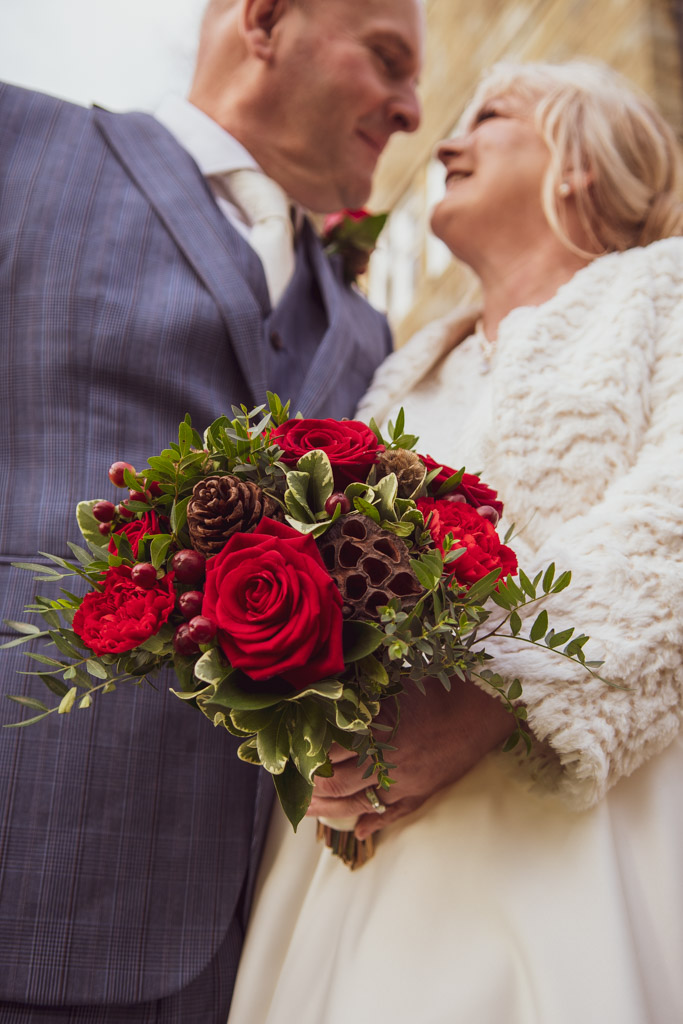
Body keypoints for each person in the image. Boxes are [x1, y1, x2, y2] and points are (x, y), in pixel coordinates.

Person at [227, 59, 683, 1023]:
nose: (443, 141)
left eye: (493, 116)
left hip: (581, 834)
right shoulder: (397, 374)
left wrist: (491, 693)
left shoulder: (666, 293)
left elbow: (671, 515)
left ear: (577, 165)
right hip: (369, 855)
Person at [0, 1, 423, 1020]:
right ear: (267, 20)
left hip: (252, 938)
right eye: (387, 59)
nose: (412, 110)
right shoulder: (23, 145)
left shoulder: (371, 332)